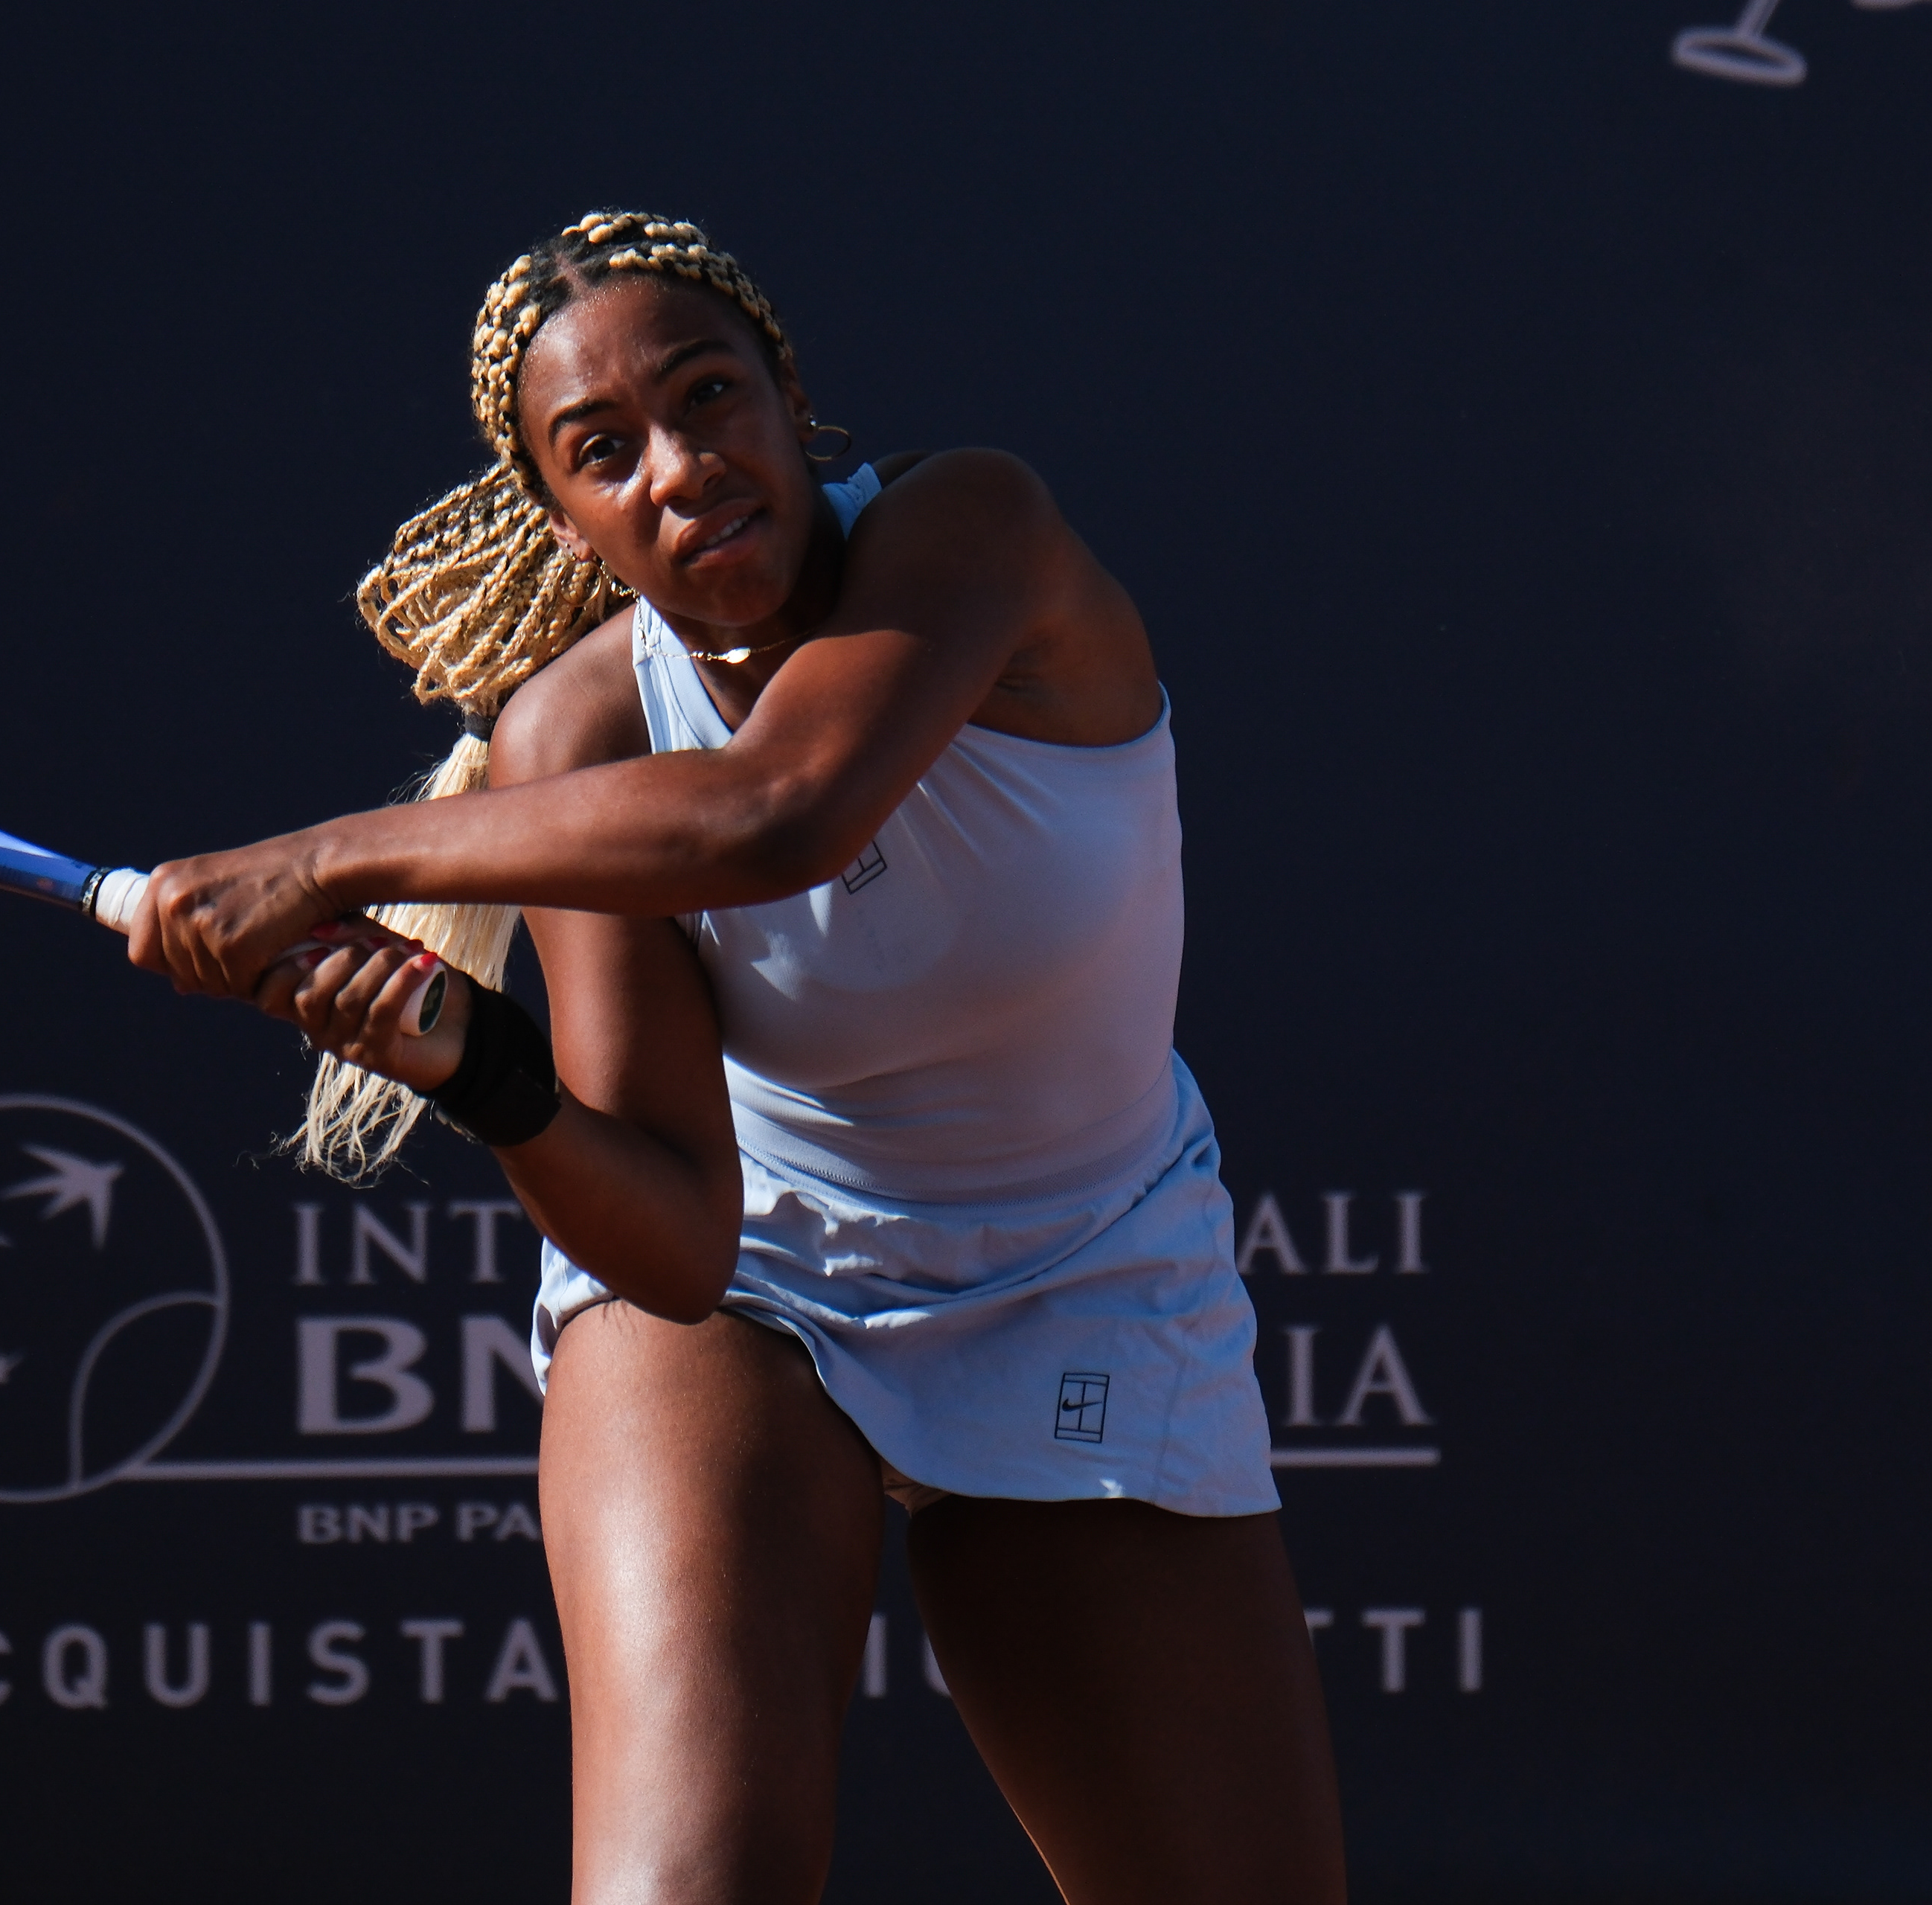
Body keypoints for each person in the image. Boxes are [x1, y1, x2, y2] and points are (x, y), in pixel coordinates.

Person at [126, 211, 1346, 1905]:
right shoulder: (578, 739)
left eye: (711, 400)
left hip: (1093, 1269)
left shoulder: (971, 525)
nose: (680, 466)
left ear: (791, 402)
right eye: (603, 452)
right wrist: (482, 1064)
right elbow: (681, 1240)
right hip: (763, 1276)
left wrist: (330, 862)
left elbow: (783, 810)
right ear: (558, 516)